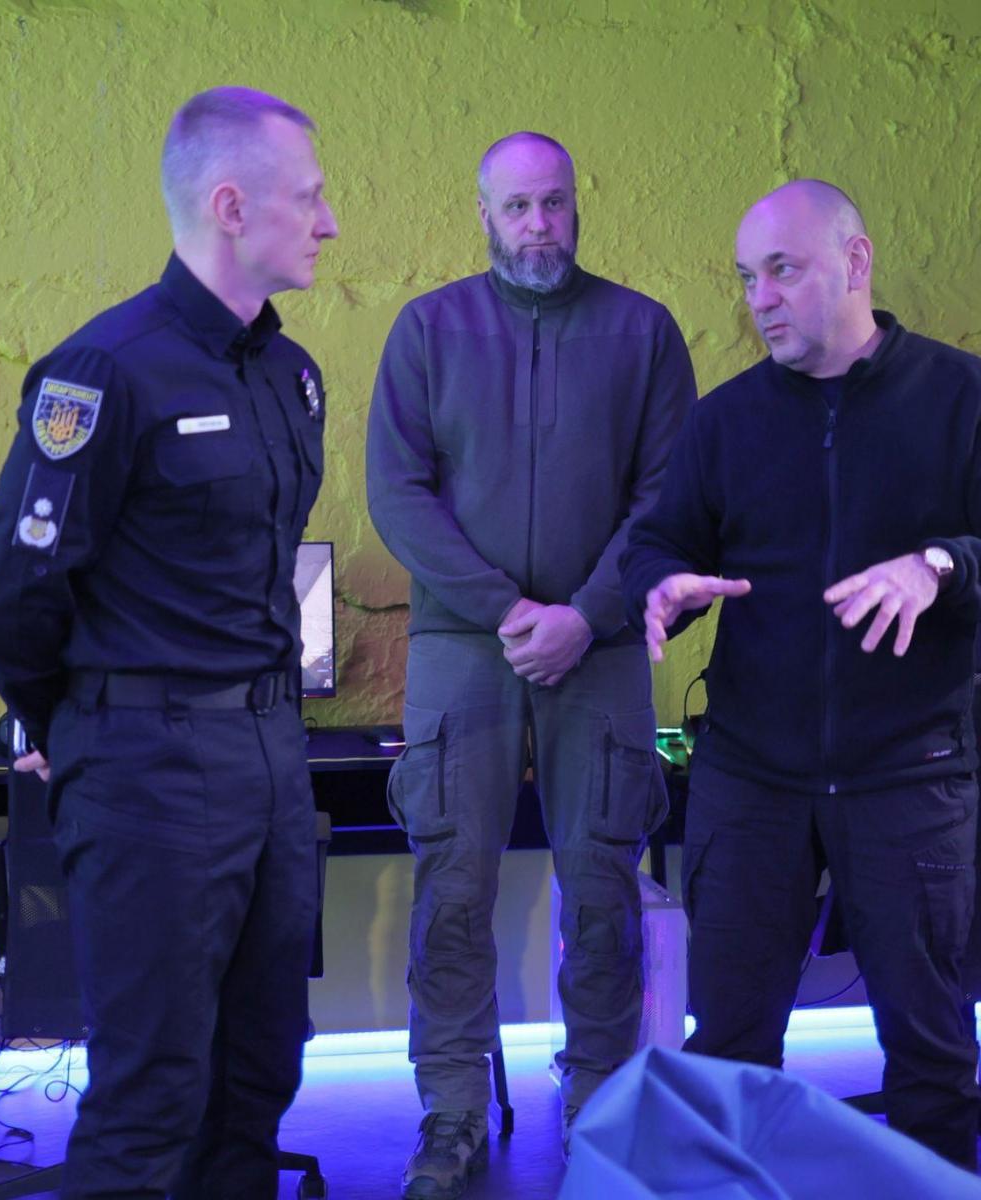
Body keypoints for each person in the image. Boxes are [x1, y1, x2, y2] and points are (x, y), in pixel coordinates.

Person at [620, 179, 981, 1167]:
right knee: (730, 1045)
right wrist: (661, 587)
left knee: (930, 1051)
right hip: (751, 775)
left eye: (782, 269)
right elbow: (659, 544)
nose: (760, 297)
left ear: (857, 261)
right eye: (747, 277)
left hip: (908, 772)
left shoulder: (966, 399)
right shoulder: (727, 420)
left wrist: (941, 566)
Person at [0, 86, 338, 1198]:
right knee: (152, 1095)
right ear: (231, 206)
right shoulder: (103, 373)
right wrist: (66, 721)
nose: (328, 223)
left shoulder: (291, 376)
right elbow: (13, 594)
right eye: (309, 198)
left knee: (260, 1072)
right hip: (149, 770)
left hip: (271, 758)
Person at [365, 130, 697, 1198]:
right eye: (517, 206)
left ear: (576, 205)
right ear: (484, 214)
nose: (539, 225)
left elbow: (669, 496)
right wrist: (508, 610)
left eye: (553, 202)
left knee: (602, 887)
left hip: (602, 650)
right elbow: (397, 495)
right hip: (465, 647)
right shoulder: (428, 331)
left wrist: (587, 615)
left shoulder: (643, 332)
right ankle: (453, 1110)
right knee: (452, 889)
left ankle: (599, 1103)